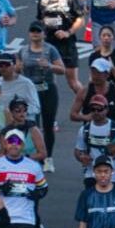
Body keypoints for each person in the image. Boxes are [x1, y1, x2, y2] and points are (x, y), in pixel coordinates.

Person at [18, 25, 67, 173]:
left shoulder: (50, 49)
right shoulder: (23, 51)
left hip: (47, 90)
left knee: (48, 125)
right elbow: (17, 68)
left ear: (43, 34)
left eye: (38, 31)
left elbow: (62, 69)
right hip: (29, 92)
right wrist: (17, 68)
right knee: (32, 125)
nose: (35, 34)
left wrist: (49, 66)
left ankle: (48, 158)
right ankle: (34, 157)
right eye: (32, 31)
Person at [34, 0, 83, 77]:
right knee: (49, 78)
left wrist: (68, 33)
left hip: (67, 45)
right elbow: (40, 21)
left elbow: (80, 19)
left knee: (72, 80)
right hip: (49, 44)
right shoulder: (42, 1)